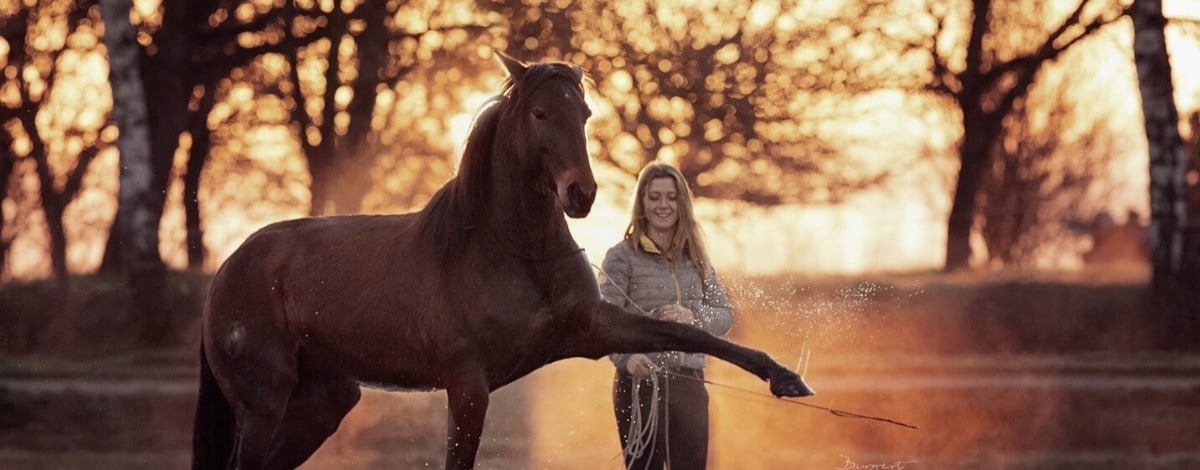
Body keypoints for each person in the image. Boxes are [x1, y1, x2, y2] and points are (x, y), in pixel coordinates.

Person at [598, 162, 733, 470]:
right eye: (654, 197)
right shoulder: (621, 257)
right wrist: (627, 360)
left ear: (681, 203)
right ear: (642, 203)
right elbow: (603, 321)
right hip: (640, 389)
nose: (663, 205)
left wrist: (693, 317)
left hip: (690, 387)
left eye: (671, 197)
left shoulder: (696, 258)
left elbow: (725, 315)